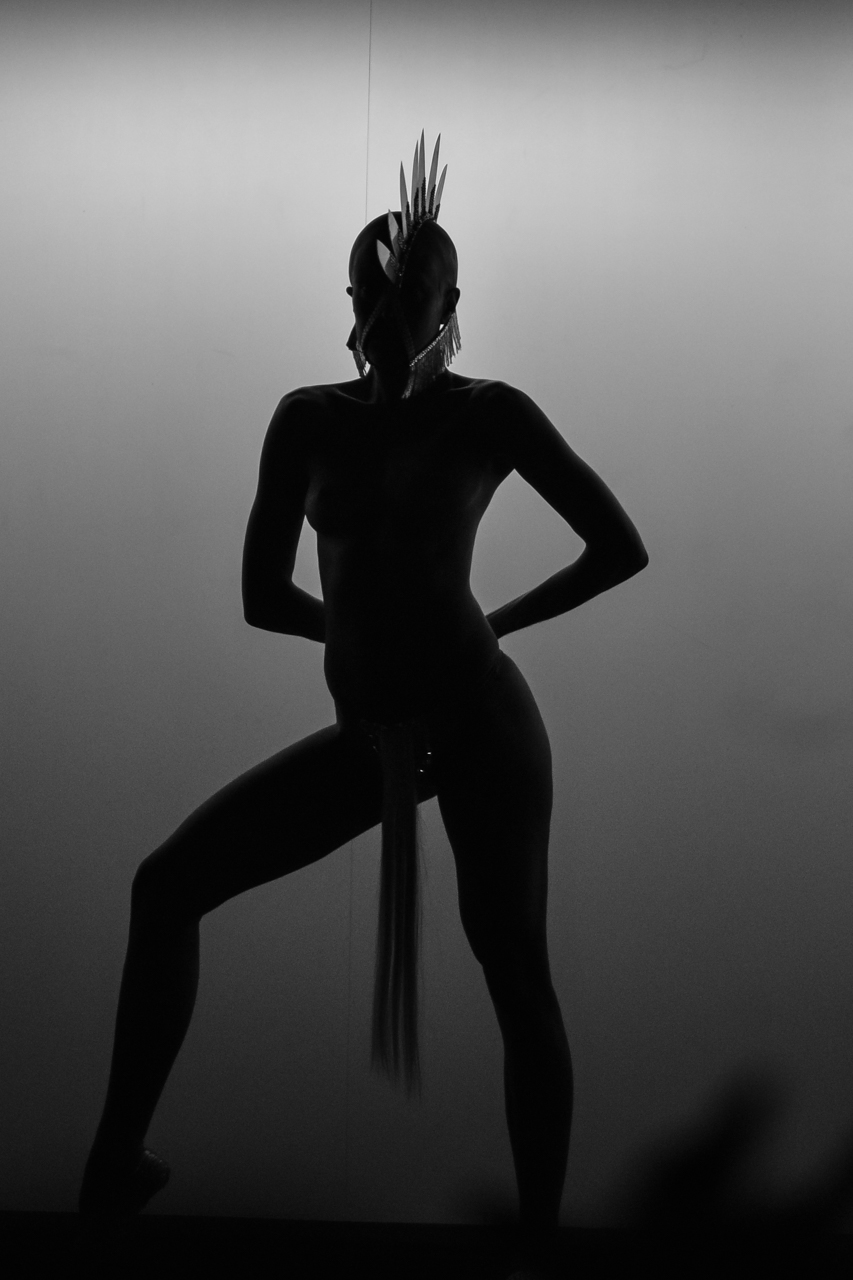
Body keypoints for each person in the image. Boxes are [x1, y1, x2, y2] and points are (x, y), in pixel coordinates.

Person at [78, 133, 648, 1278]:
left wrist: (487, 628)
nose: (387, 312)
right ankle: (113, 1162)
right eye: (369, 293)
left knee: (512, 967)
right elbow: (260, 595)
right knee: (168, 884)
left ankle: (538, 1244)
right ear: (348, 301)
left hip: (479, 724)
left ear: (449, 304)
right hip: (374, 732)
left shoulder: (490, 412)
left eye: (411, 293)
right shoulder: (307, 420)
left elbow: (617, 546)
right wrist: (354, 643)